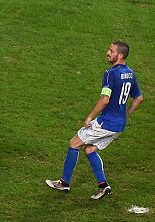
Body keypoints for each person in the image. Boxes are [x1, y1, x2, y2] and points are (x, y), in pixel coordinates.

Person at [46, 41, 144, 199]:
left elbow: (105, 99)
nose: (107, 53)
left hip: (106, 122)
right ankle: (103, 186)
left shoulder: (110, 73)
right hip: (119, 125)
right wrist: (127, 114)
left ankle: (64, 183)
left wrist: (90, 116)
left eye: (111, 51)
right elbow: (139, 98)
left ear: (119, 55)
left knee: (74, 143)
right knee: (90, 149)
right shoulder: (131, 73)